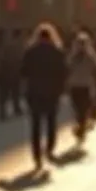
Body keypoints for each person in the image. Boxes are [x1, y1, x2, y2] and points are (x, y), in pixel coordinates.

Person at [19, 23, 68, 171]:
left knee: (36, 125)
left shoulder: (31, 52)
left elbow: (23, 71)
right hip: (52, 92)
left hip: (34, 92)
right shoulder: (57, 52)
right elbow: (63, 72)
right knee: (51, 122)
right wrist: (61, 89)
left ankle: (37, 155)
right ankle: (49, 148)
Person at [66, 31, 96, 142]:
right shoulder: (91, 57)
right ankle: (81, 126)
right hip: (84, 86)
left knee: (80, 109)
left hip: (77, 86)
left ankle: (81, 126)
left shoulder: (73, 57)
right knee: (82, 109)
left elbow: (66, 70)